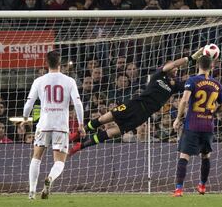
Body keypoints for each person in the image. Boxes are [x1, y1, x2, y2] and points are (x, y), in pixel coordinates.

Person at [68, 48, 205, 155]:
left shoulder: (175, 86)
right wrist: (190, 58)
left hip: (143, 115)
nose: (175, 68)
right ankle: (79, 133)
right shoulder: (158, 75)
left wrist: (203, 69)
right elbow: (174, 63)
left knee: (111, 133)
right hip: (134, 104)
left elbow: (192, 83)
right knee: (104, 119)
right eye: (172, 66)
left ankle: (80, 146)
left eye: (176, 68)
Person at [23, 50, 85, 200]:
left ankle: (32, 192)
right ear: (60, 63)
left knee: (36, 157)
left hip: (43, 124)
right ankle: (50, 178)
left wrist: (25, 117)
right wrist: (81, 124)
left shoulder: (39, 81)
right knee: (59, 161)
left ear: (46, 63)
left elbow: (29, 103)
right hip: (61, 126)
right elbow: (78, 103)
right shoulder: (69, 81)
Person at [172, 55, 222, 197]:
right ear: (212, 67)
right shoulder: (217, 84)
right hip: (208, 126)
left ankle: (179, 189)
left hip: (192, 124)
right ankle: (202, 186)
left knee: (184, 156)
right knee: (206, 156)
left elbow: (184, 100)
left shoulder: (192, 81)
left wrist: (178, 118)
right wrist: (213, 111)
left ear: (198, 65)